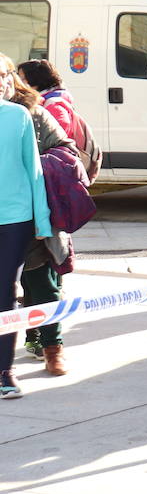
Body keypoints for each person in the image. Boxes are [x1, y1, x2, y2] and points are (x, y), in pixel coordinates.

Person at [3, 58, 75, 376]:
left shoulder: (32, 112)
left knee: (42, 285)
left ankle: (52, 348)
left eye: (4, 75)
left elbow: (66, 150)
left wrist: (30, 162)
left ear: (14, 80)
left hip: (32, 215)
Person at [0, 85, 51, 399]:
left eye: (2, 75)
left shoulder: (18, 115)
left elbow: (34, 170)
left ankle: (4, 370)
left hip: (15, 219)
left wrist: (42, 219)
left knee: (5, 292)